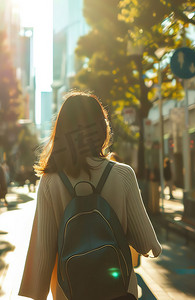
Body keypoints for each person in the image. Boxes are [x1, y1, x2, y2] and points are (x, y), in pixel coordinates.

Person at [19, 92, 161, 300]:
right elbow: (148, 245)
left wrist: (37, 292)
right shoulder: (123, 174)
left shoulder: (50, 181)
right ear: (101, 129)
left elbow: (44, 253)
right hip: (118, 293)